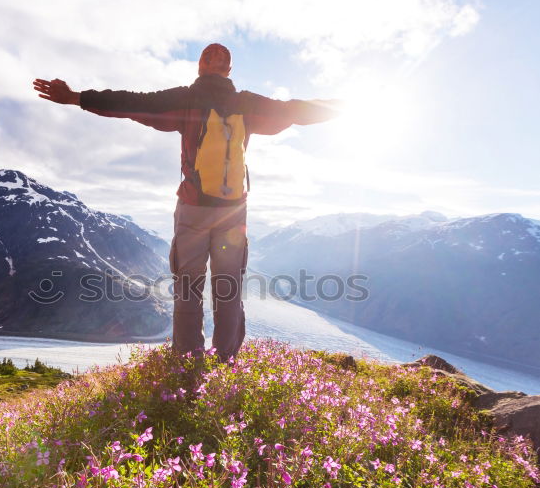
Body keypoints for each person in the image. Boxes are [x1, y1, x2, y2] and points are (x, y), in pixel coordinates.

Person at [34, 43, 338, 362]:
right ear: (228, 71)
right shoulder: (247, 104)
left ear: (200, 66)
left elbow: (128, 102)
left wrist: (75, 97)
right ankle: (227, 361)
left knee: (188, 289)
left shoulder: (184, 100)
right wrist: (345, 107)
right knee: (228, 291)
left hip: (193, 209)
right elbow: (295, 110)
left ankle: (187, 361)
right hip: (233, 212)